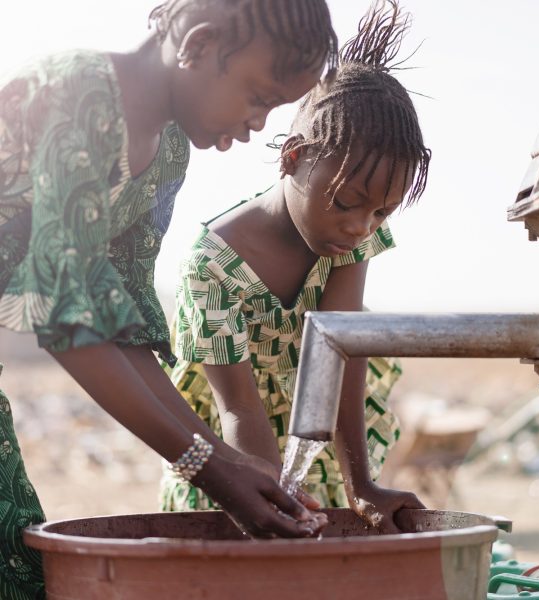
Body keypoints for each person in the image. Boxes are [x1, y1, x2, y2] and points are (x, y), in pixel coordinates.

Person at [0, 0, 338, 597]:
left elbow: (119, 330)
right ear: (200, 45)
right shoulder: (75, 92)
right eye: (258, 96)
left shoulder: (168, 154)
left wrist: (232, 465)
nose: (260, 123)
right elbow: (66, 322)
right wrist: (207, 469)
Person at [161, 0, 431, 532]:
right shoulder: (212, 267)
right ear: (293, 158)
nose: (361, 226)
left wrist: (360, 485)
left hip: (319, 459)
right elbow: (238, 407)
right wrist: (273, 504)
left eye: (382, 212)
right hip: (237, 471)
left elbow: (343, 354)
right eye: (349, 201)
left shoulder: (346, 242)